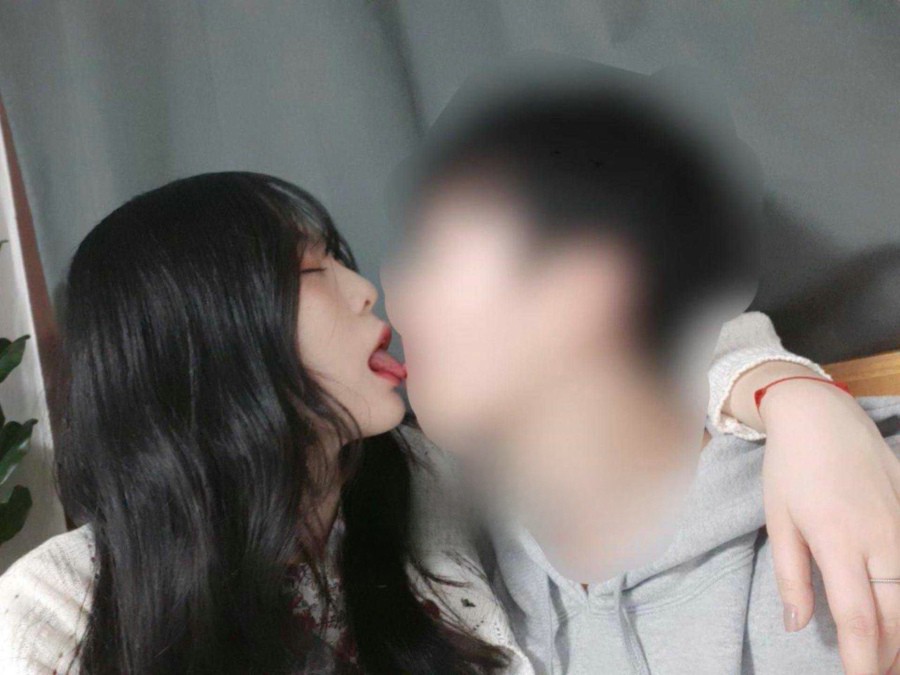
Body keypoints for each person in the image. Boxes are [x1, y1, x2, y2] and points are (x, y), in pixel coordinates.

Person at [0, 173, 892, 673]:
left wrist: (799, 402)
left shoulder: (425, 485)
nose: (365, 291)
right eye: (312, 272)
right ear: (207, 338)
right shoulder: (60, 610)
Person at [385, 55, 900, 673]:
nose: (394, 299)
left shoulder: (854, 534)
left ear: (588, 278)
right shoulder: (456, 577)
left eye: (432, 252)